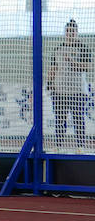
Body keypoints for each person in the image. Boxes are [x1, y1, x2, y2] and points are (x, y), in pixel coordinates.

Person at [46, 19, 92, 147]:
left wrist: (72, 61)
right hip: (60, 91)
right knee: (60, 120)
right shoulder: (58, 48)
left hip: (77, 91)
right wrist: (49, 82)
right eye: (67, 31)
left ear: (76, 33)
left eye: (72, 31)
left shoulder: (83, 48)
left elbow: (87, 67)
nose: (70, 33)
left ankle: (80, 146)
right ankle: (58, 145)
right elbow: (53, 68)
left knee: (78, 119)